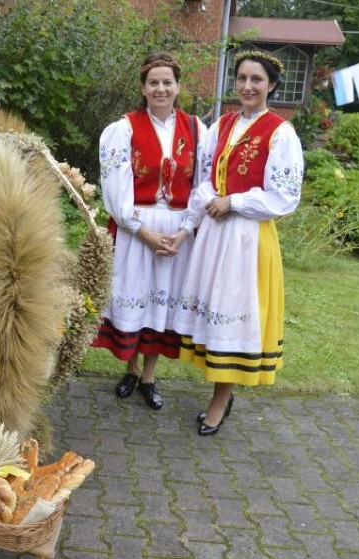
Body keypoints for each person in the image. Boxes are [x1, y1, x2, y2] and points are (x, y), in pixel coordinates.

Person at [172, 50, 303, 434]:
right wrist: (189, 223)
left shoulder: (281, 132)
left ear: (272, 85)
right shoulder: (222, 125)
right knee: (214, 313)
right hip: (215, 234)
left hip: (247, 238)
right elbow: (203, 179)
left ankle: (220, 399)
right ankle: (220, 391)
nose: (248, 86)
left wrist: (234, 202)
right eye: (242, 78)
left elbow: (284, 196)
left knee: (231, 315)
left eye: (256, 80)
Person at [92, 52, 206, 410]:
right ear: (143, 88)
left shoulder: (196, 128)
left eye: (167, 82)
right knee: (135, 297)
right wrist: (142, 232)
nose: (161, 89)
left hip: (177, 233)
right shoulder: (123, 129)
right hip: (135, 229)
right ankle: (130, 367)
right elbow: (114, 188)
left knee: (164, 302)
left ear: (177, 86)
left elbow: (203, 185)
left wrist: (186, 231)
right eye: (153, 82)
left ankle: (149, 376)